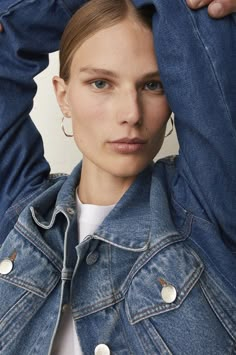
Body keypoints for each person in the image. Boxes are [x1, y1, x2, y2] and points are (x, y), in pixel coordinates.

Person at [0, 0, 235, 354]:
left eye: (153, 85)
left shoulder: (209, 212)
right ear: (63, 96)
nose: (131, 113)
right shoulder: (18, 210)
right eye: (100, 83)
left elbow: (191, 11)